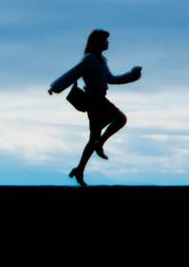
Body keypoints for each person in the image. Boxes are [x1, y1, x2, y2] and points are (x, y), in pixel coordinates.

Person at [48, 28, 142, 186]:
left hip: (99, 99)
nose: (108, 43)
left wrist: (132, 76)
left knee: (94, 138)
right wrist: (55, 87)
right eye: (105, 40)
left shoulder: (101, 60)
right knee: (120, 119)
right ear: (98, 42)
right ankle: (99, 144)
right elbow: (72, 74)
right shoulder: (89, 60)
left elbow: (111, 79)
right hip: (94, 100)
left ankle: (79, 170)